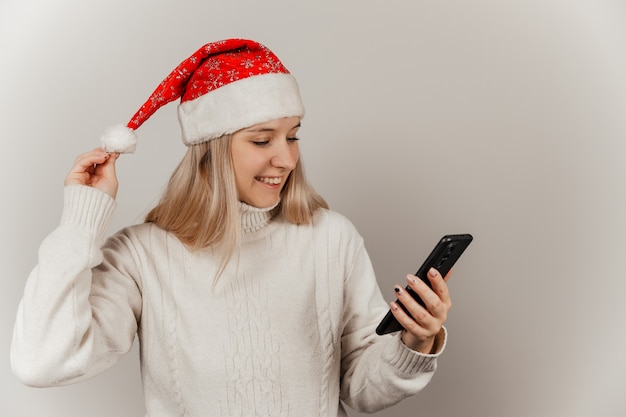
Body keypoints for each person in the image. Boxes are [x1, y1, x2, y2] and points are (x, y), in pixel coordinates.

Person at [11, 38, 451, 416]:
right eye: (262, 139)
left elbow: (361, 390)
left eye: (293, 135)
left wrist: (414, 342)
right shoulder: (142, 256)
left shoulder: (332, 238)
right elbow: (42, 362)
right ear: (212, 150)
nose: (287, 158)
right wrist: (80, 218)